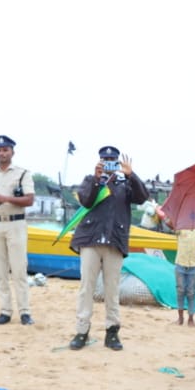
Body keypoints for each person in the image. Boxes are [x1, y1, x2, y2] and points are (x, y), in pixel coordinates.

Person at [69, 145, 150, 350]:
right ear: (99, 161)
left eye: (112, 159)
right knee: (86, 287)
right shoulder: (90, 180)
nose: (109, 163)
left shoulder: (125, 184)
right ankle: (81, 331)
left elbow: (142, 197)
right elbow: (86, 201)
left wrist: (132, 176)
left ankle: (112, 332)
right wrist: (97, 180)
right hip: (91, 239)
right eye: (105, 159)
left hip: (114, 240)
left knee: (112, 289)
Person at [0, 135, 35, 325]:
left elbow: (29, 200)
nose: (2, 153)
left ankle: (25, 311)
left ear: (12, 152)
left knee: (19, 269)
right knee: (1, 271)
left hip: (16, 224)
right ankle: (5, 311)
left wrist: (6, 198)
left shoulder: (22, 173)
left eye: (5, 150)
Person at [173, 226, 195, 325]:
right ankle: (180, 318)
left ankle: (190, 318)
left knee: (191, 293)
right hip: (180, 264)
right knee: (180, 291)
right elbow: (171, 225)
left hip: (193, 265)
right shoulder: (180, 228)